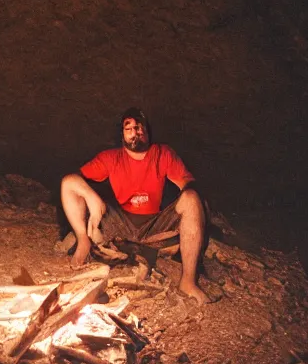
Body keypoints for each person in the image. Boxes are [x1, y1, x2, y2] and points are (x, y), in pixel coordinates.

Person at [60, 108, 210, 304]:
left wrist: (196, 210)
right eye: (128, 128)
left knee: (192, 198)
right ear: (121, 134)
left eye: (139, 127)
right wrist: (92, 198)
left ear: (147, 131)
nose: (135, 131)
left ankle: (188, 282)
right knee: (68, 183)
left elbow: (188, 184)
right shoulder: (111, 157)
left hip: (154, 224)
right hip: (121, 221)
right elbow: (73, 179)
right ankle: (83, 242)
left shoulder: (163, 153)